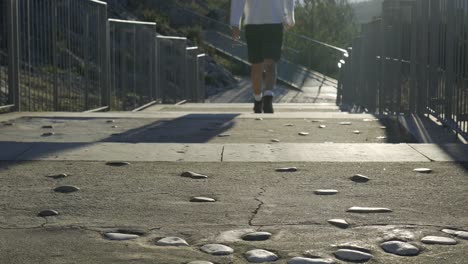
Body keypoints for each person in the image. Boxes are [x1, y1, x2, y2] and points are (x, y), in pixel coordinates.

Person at [230, 0, 295, 113]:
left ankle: (268, 99)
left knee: (269, 62)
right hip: (255, 22)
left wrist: (290, 18)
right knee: (258, 65)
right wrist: (235, 23)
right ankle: (258, 99)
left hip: (272, 21)